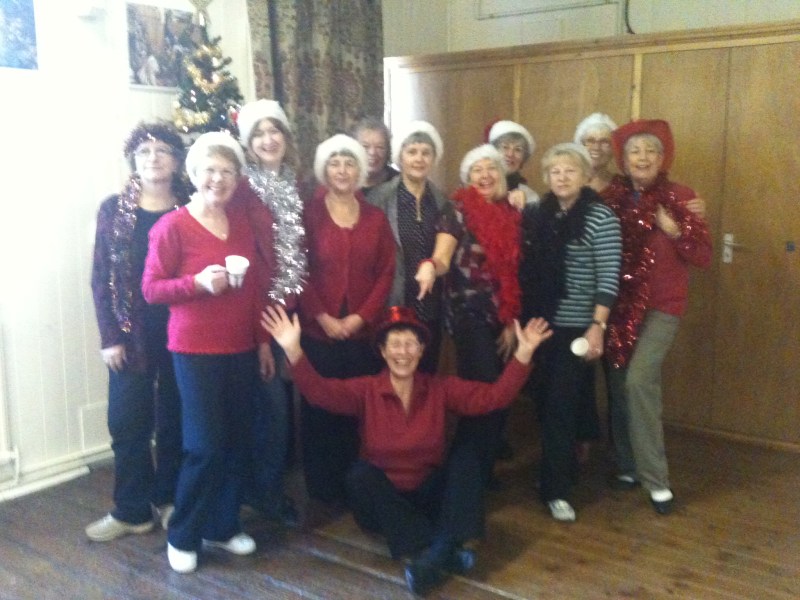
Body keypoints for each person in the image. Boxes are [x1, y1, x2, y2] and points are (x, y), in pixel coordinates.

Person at [262, 304, 553, 596]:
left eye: (410, 344)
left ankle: (431, 556)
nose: (403, 352)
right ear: (383, 351)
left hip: (426, 496)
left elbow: (493, 398)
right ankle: (446, 546)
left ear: (421, 350)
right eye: (395, 344)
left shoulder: (439, 388)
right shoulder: (367, 389)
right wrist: (293, 349)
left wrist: (524, 352)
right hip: (382, 503)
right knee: (359, 476)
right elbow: (320, 393)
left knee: (466, 459)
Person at [142, 132, 273, 573]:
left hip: (240, 347)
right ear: (194, 174)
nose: (218, 179)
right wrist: (196, 283)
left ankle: (222, 524)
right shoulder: (172, 226)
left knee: (236, 439)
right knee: (204, 445)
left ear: (237, 178)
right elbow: (151, 289)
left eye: (227, 171)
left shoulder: (240, 223)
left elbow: (253, 289)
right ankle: (183, 534)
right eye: (210, 170)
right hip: (194, 349)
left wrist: (262, 341)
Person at [602, 119, 712, 515]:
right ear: (624, 159)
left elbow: (703, 255)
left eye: (651, 150)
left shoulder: (681, 197)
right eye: (635, 151)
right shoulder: (609, 199)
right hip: (618, 308)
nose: (643, 157)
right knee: (619, 385)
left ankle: (656, 481)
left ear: (663, 157)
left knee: (638, 381)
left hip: (663, 307)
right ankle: (628, 466)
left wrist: (675, 228)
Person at [86, 122, 189, 543]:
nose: (153, 158)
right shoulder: (114, 210)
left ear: (177, 161)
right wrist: (110, 337)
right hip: (131, 334)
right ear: (134, 160)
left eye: (162, 150)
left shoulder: (192, 206)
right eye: (144, 151)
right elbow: (100, 277)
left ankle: (170, 498)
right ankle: (131, 509)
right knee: (127, 421)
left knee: (176, 418)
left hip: (184, 330)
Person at [519, 143, 622, 521]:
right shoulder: (537, 213)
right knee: (546, 402)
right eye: (555, 171)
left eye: (570, 170)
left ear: (585, 175)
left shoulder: (601, 216)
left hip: (577, 326)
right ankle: (559, 471)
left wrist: (598, 327)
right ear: (546, 177)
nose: (562, 177)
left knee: (561, 407)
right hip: (540, 324)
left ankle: (557, 490)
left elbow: (608, 277)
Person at [298, 133, 395, 507]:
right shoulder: (309, 214)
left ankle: (355, 484)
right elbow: (299, 269)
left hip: (362, 333)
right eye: (335, 163)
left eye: (349, 163)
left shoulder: (375, 218)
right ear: (324, 170)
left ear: (360, 170)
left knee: (357, 407)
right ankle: (323, 489)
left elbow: (386, 272)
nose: (342, 170)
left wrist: (361, 317)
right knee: (319, 407)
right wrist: (321, 316)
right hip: (317, 330)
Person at [235, 98, 308, 527]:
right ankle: (265, 494)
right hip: (261, 318)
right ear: (249, 144)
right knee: (273, 409)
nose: (268, 139)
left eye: (274, 130)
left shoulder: (296, 186)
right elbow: (249, 264)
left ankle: (267, 486)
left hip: (292, 312)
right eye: (259, 134)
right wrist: (262, 338)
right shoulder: (244, 191)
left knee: (282, 407)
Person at [445, 144, 523, 489]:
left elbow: (512, 273)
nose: (485, 175)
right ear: (467, 178)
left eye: (492, 168)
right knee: (484, 391)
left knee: (500, 393)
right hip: (468, 315)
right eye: (477, 169)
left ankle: (479, 470)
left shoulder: (511, 212)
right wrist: (432, 266)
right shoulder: (457, 211)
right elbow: (443, 256)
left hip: (501, 316)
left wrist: (510, 320)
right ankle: (468, 472)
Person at [366, 120, 458, 373]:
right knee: (388, 378)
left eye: (426, 152)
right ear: (400, 157)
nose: (419, 158)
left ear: (434, 159)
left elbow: (444, 257)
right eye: (412, 152)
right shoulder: (377, 199)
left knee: (425, 378)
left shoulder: (443, 203)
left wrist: (431, 266)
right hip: (390, 305)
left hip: (429, 308)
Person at [487, 119, 540, 209]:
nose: (510, 154)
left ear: (523, 159)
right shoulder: (481, 188)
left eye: (518, 149)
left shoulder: (530, 197)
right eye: (505, 147)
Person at [574, 112, 618, 194]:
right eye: (590, 141)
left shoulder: (624, 187)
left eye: (604, 141)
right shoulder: (567, 183)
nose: (596, 147)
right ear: (581, 145)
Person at [353, 116, 400, 193]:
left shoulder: (400, 185)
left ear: (388, 150)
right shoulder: (344, 182)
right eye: (365, 146)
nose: (372, 152)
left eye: (380, 147)